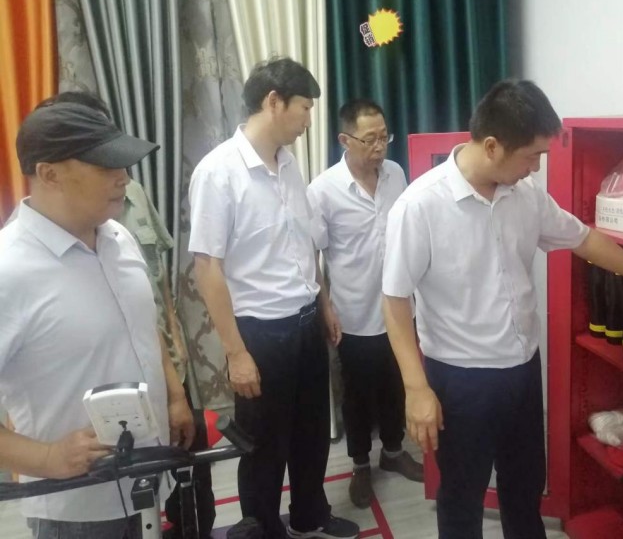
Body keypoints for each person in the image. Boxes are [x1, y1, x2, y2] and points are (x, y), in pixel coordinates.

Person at [381, 79, 623, 539]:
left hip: (522, 370)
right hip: (461, 380)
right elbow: (394, 301)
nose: (536, 168)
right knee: (461, 500)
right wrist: (416, 387)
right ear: (491, 146)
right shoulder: (420, 207)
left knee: (524, 490)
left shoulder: (526, 197)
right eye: (531, 156)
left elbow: (584, 240)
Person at [0, 102, 195, 539]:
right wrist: (47, 458)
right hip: (77, 506)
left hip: (149, 479)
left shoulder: (119, 236)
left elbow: (140, 326)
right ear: (49, 174)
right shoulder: (8, 270)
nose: (123, 177)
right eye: (106, 166)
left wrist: (174, 395)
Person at [188, 57, 359, 539]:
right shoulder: (218, 172)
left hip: (305, 321)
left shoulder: (288, 165)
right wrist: (235, 353)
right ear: (273, 102)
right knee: (264, 443)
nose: (309, 120)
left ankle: (309, 514)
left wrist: (323, 303)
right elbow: (207, 267)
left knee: (311, 430)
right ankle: (261, 527)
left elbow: (303, 243)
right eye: (304, 107)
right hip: (260, 333)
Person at [307, 99, 422, 509]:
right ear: (345, 139)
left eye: (384, 137)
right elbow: (311, 254)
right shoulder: (323, 190)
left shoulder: (396, 174)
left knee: (395, 383)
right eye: (370, 139)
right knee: (356, 393)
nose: (379, 146)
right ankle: (359, 464)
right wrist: (325, 307)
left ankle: (393, 451)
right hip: (353, 312)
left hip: (399, 307)